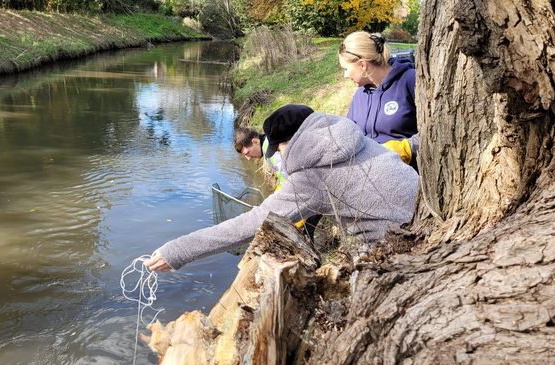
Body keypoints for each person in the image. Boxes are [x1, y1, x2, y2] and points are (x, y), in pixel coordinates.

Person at [145, 104, 418, 272]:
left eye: (280, 148)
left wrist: (177, 251)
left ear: (290, 141)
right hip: (425, 211)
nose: (281, 155)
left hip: (396, 245)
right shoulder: (353, 137)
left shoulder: (311, 177)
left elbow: (249, 224)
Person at [338, 31, 419, 167]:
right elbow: (350, 133)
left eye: (346, 69)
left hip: (409, 176)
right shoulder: (360, 95)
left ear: (362, 65)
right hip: (370, 176)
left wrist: (407, 148)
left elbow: (437, 129)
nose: (345, 75)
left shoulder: (411, 80)